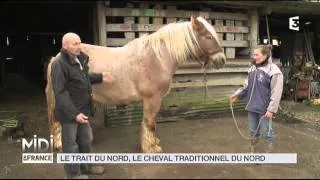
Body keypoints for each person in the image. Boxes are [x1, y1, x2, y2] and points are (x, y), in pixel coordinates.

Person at [51, 32, 112, 179]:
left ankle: (87, 166)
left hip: (82, 110)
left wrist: (101, 77)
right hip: (70, 113)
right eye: (75, 44)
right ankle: (73, 175)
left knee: (85, 140)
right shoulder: (59, 64)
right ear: (65, 45)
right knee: (71, 145)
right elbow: (60, 92)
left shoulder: (79, 59)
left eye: (79, 42)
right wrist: (74, 114)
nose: (79, 46)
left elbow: (83, 78)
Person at [229, 45, 283, 153]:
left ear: (265, 55)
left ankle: (268, 153)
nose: (254, 57)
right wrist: (237, 95)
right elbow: (247, 86)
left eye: (257, 55)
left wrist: (271, 109)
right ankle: (254, 151)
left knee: (266, 132)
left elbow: (276, 92)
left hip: (264, 109)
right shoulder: (252, 69)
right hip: (252, 106)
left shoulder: (274, 70)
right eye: (253, 55)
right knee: (252, 131)